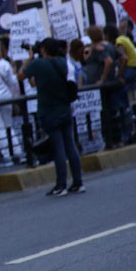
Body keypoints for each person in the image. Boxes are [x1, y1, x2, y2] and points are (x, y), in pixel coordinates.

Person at [21, 38, 85, 196]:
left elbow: (21, 75)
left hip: (49, 110)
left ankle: (61, 185)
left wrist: (29, 57)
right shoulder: (63, 62)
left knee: (58, 148)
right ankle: (78, 182)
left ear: (43, 50)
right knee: (70, 145)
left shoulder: (38, 64)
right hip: (65, 108)